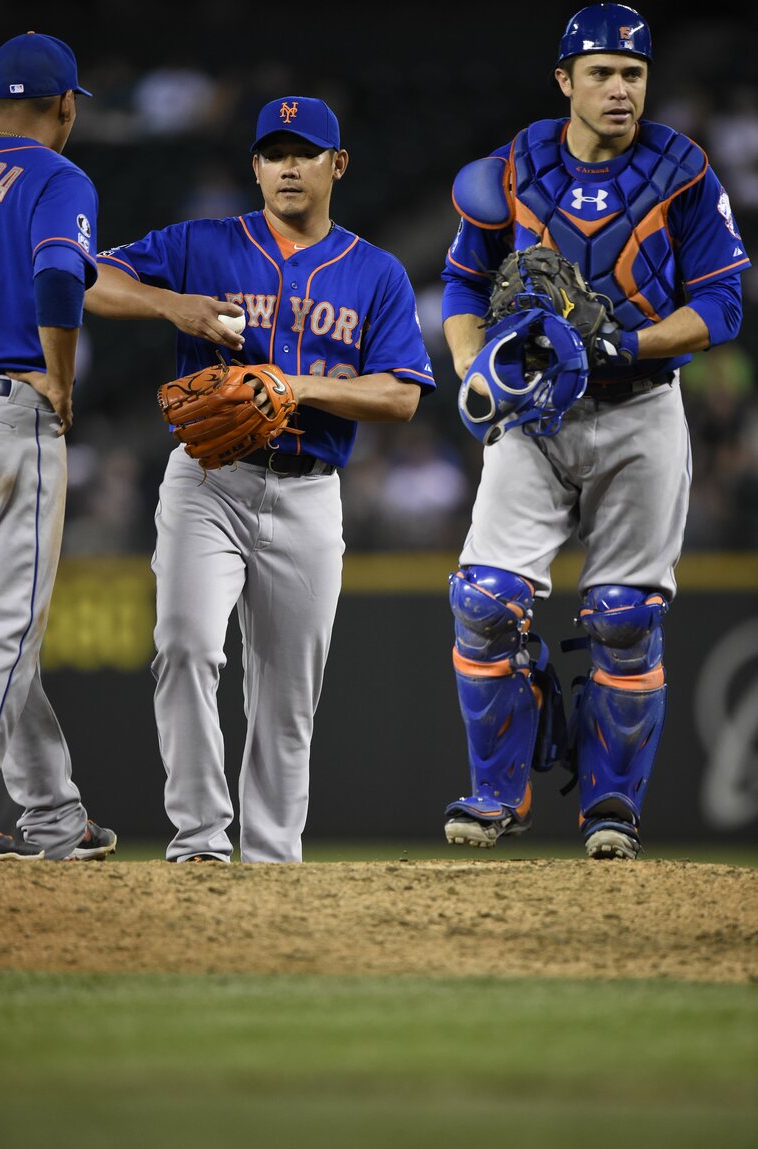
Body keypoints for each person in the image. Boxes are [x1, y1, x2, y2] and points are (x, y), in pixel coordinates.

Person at [85, 95, 436, 863]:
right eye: (273, 153)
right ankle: (201, 841)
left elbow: (402, 394)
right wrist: (168, 303)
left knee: (286, 699)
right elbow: (86, 278)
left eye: (303, 152)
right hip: (207, 482)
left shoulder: (373, 272)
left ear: (336, 165)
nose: (287, 167)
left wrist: (294, 387)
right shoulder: (201, 244)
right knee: (183, 646)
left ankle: (272, 862)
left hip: (309, 493)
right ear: (254, 166)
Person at [440, 3, 751, 860]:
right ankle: (497, 794)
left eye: (634, 73)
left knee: (621, 616)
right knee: (483, 601)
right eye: (603, 72)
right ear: (564, 82)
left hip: (641, 406)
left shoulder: (682, 169)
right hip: (535, 411)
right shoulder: (513, 167)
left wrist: (622, 340)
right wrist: (474, 367)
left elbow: (721, 305)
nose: (620, 88)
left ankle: (610, 806)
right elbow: (462, 284)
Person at [0, 32, 117, 861]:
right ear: (65, 105)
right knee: (8, 628)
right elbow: (60, 276)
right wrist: (61, 374)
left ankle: (52, 819)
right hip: (11, 410)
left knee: (7, 636)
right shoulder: (56, 175)